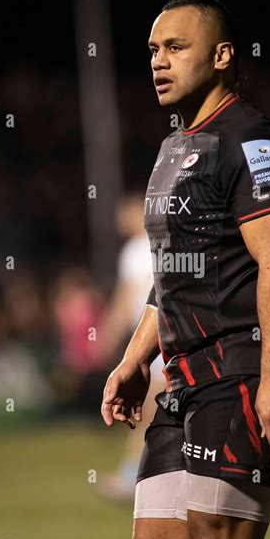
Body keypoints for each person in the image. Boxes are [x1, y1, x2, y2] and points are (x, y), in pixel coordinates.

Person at [101, 0, 270, 539]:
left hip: (244, 370)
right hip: (187, 378)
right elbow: (169, 275)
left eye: (175, 47)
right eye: (152, 51)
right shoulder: (173, 149)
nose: (158, 62)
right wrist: (134, 359)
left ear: (222, 57)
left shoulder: (250, 139)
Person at [97, 192, 166, 500]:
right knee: (153, 406)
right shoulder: (143, 248)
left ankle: (132, 478)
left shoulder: (147, 247)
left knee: (151, 406)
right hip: (152, 341)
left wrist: (109, 332)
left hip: (162, 340)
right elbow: (126, 301)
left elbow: (125, 301)